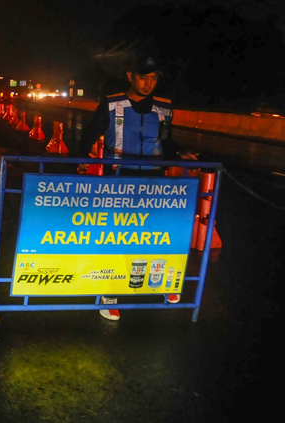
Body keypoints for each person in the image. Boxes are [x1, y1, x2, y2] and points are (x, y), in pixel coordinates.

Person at [80, 55, 196, 320]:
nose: (149, 83)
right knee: (118, 237)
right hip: (119, 179)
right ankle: (109, 292)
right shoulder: (111, 104)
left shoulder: (165, 108)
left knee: (154, 236)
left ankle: (165, 284)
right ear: (130, 76)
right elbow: (89, 134)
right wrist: (80, 158)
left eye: (154, 78)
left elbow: (166, 141)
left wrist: (181, 154)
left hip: (154, 181)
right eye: (144, 77)